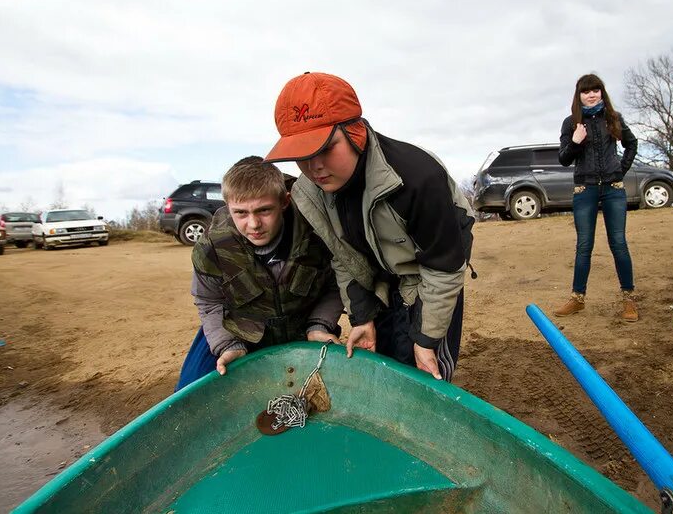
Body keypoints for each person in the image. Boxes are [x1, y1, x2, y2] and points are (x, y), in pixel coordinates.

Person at [264, 72, 474, 382]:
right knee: (386, 361)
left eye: (324, 148)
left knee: (421, 371)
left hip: (427, 272)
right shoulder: (309, 190)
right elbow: (342, 256)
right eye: (302, 155)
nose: (314, 166)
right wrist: (362, 316)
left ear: (355, 132)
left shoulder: (417, 178)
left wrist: (426, 339)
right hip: (377, 274)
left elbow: (444, 268)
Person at [175, 156, 343, 390]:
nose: (254, 224)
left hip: (304, 327)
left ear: (284, 201)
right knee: (190, 394)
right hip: (239, 330)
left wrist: (319, 324)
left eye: (264, 210)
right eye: (241, 213)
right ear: (227, 206)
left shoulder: (318, 232)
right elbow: (208, 301)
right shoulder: (211, 248)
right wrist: (226, 344)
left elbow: (336, 285)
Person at [554, 73, 639, 322]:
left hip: (613, 189)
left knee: (618, 243)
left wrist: (619, 170)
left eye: (596, 90)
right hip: (585, 190)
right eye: (586, 91)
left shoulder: (613, 118)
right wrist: (576, 141)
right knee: (584, 246)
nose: (591, 95)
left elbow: (631, 144)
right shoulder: (571, 123)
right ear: (578, 95)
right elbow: (563, 159)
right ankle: (577, 299)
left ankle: (629, 300)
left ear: (602, 92)